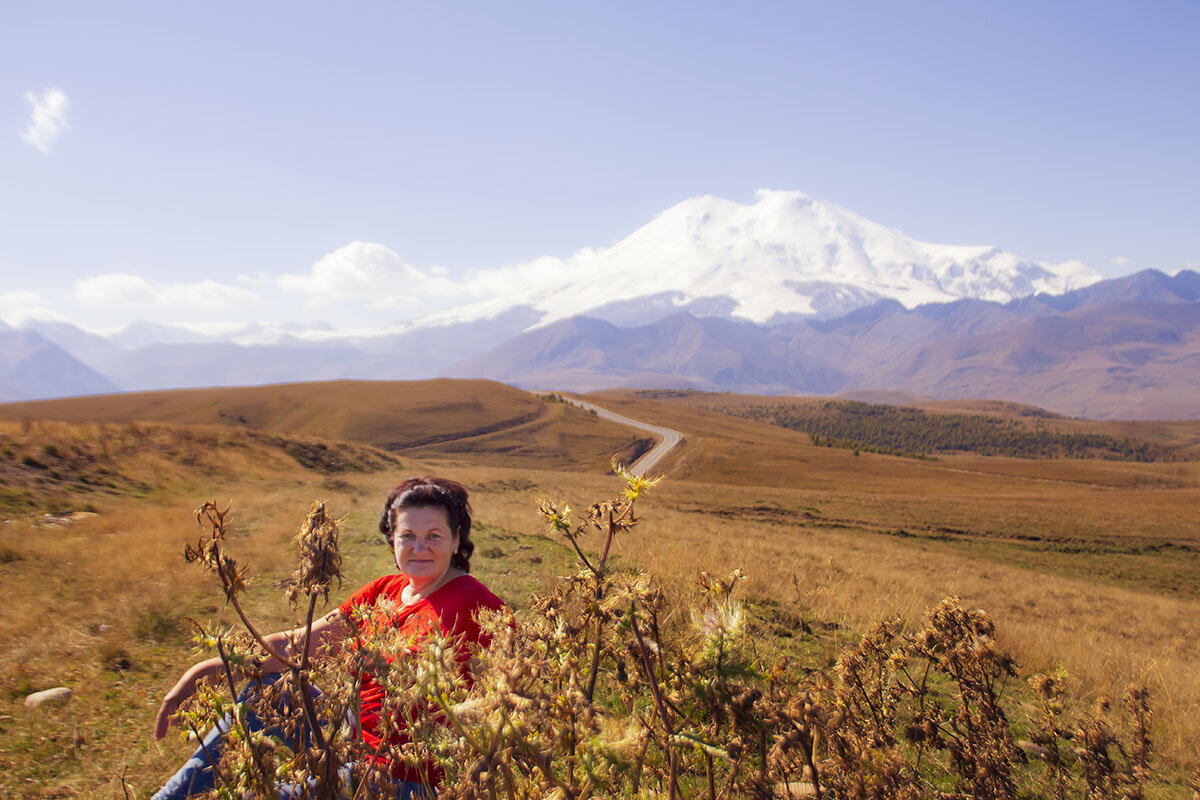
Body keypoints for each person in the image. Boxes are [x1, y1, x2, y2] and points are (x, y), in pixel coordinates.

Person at [152, 476, 506, 799]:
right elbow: (298, 645)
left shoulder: (475, 604)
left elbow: (511, 701)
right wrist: (211, 668)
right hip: (355, 753)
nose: (419, 548)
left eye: (434, 536)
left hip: (414, 781)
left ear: (456, 538)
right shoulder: (385, 591)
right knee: (277, 688)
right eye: (407, 536)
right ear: (392, 538)